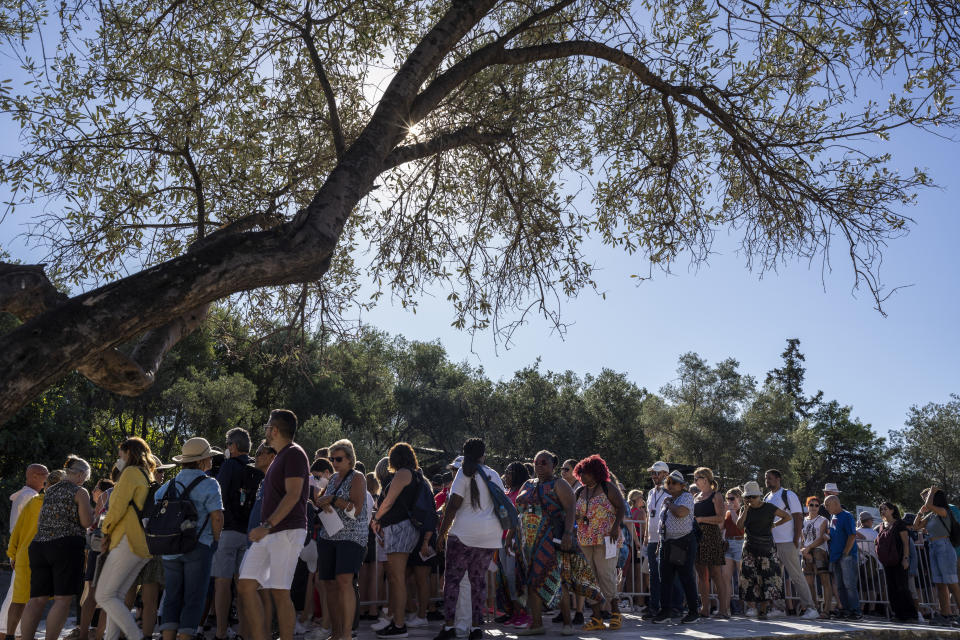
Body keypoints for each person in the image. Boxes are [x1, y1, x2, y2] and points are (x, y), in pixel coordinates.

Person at [513, 450, 602, 636]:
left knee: (557, 579)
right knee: (532, 580)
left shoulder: (559, 484)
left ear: (553, 465)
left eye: (544, 462)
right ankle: (536, 624)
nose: (539, 465)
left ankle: (568, 623)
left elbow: (570, 509)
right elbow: (518, 512)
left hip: (550, 539)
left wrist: (569, 533)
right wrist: (511, 536)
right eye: (536, 462)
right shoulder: (528, 484)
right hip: (527, 542)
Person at [239, 410, 310, 640]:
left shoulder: (294, 454)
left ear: (275, 430)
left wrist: (267, 525)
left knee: (280, 592)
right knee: (246, 585)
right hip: (270, 532)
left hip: (286, 532)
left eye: (268, 427)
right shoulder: (280, 456)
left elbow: (293, 495)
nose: (266, 431)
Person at [434, 439, 506, 640]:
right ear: (484, 455)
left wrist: (442, 533)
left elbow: (453, 506)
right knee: (478, 582)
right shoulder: (493, 475)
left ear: (464, 453)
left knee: (453, 581)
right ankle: (476, 628)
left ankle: (449, 627)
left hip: (463, 535)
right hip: (488, 536)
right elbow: (503, 502)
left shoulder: (462, 473)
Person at [155, 438, 224, 640]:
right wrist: (216, 541)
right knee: (194, 597)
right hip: (198, 546)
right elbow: (217, 516)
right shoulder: (210, 483)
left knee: (172, 597)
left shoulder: (169, 484)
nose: (211, 460)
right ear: (202, 461)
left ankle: (167, 637)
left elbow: (156, 505)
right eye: (209, 457)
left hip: (170, 547)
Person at [20, 456, 94, 640]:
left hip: (39, 546)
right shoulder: (80, 491)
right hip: (65, 546)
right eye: (85, 477)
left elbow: (41, 521)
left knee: (37, 599)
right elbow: (86, 522)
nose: (84, 480)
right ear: (81, 474)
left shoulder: (50, 491)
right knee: (62, 599)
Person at [95, 438, 157, 640]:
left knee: (103, 596)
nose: (118, 459)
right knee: (116, 597)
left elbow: (117, 508)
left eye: (120, 455)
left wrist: (105, 530)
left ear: (129, 452)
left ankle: (135, 637)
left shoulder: (129, 473)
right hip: (143, 546)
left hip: (126, 541)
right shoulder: (147, 475)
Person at [317, 439, 369, 640]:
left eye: (338, 459)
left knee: (344, 581)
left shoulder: (357, 477)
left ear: (350, 459)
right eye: (332, 459)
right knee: (328, 583)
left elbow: (355, 510)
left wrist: (333, 500)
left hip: (351, 536)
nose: (334, 463)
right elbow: (325, 500)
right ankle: (337, 632)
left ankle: (346, 634)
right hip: (328, 535)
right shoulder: (332, 479)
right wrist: (322, 502)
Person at [212, 427, 259, 640]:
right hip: (249, 532)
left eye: (228, 445)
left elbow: (218, 495)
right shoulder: (256, 467)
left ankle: (221, 632)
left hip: (229, 530)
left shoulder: (229, 465)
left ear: (234, 446)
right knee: (244, 586)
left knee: (222, 582)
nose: (226, 449)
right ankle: (243, 632)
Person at [370, 443, 421, 638]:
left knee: (397, 579)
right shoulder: (413, 474)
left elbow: (388, 501)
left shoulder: (402, 474)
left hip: (400, 528)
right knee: (395, 577)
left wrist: (376, 519)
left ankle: (399, 625)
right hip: (402, 528)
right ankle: (396, 621)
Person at [5, 469, 60, 640]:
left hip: (23, 556)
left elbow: (17, 531)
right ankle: (28, 635)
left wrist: (12, 554)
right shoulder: (60, 506)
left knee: (18, 599)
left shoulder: (33, 502)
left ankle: (10, 636)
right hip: (44, 559)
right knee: (37, 601)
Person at [572, 455, 625, 631]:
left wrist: (615, 528)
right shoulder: (580, 491)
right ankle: (596, 618)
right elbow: (571, 510)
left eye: (585, 473)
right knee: (588, 579)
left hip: (606, 539)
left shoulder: (607, 487)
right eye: (581, 473)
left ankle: (616, 613)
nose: (582, 476)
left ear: (595, 473)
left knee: (606, 575)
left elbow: (621, 507)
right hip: (584, 540)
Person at [762, 469, 818, 618]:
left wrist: (796, 539)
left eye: (770, 478)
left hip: (787, 541)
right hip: (772, 543)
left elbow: (798, 517)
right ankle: (779, 609)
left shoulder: (788, 494)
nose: (767, 481)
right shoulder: (767, 497)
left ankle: (811, 609)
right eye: (766, 478)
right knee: (775, 577)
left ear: (778, 479)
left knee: (796, 576)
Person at [650, 471, 699, 625]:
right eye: (668, 482)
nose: (670, 485)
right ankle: (665, 612)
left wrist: (670, 504)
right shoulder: (668, 499)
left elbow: (680, 512)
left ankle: (693, 612)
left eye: (674, 483)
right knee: (665, 579)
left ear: (682, 486)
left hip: (683, 542)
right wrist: (659, 544)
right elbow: (662, 523)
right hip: (667, 542)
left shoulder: (686, 497)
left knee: (686, 578)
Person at [737, 481, 790, 620]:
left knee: (767, 578)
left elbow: (787, 516)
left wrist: (774, 524)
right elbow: (739, 526)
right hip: (749, 548)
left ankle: (764, 610)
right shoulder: (745, 509)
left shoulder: (769, 507)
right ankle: (752, 607)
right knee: (749, 578)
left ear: (759, 496)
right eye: (748, 497)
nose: (751, 500)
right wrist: (746, 509)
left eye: (753, 497)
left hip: (766, 547)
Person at [913, 486, 960, 626]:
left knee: (952, 583)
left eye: (929, 496)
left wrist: (932, 492)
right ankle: (945, 614)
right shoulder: (932, 514)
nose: (926, 500)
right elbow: (916, 527)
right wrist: (919, 513)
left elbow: (928, 504)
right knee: (940, 583)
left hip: (944, 546)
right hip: (933, 547)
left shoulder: (944, 511)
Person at [642, 461, 679, 620]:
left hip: (668, 539)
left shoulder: (671, 492)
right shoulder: (651, 493)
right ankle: (654, 607)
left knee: (672, 574)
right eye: (652, 473)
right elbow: (648, 515)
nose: (654, 476)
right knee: (653, 575)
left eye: (657, 473)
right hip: (652, 539)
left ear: (665, 474)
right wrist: (645, 535)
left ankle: (676, 607)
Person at [692, 467, 728, 618]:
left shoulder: (716, 495)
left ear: (705, 479)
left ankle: (724, 610)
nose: (694, 482)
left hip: (712, 536)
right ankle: (704, 609)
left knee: (715, 574)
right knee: (701, 575)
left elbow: (720, 518)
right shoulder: (696, 496)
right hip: (697, 537)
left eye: (696, 478)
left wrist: (701, 520)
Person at [876, 502, 917, 622]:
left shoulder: (899, 524)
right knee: (891, 588)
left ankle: (911, 614)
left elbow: (905, 543)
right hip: (888, 562)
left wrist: (905, 558)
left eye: (885, 509)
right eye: (881, 509)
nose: (883, 511)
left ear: (892, 510)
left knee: (902, 587)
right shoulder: (881, 526)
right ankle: (898, 614)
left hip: (899, 560)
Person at [824, 495, 861, 620]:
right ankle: (845, 609)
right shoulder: (832, 516)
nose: (826, 507)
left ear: (835, 503)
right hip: (835, 556)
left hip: (847, 556)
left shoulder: (847, 516)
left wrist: (845, 552)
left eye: (827, 505)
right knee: (840, 585)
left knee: (849, 584)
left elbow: (852, 535)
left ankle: (855, 611)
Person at [800, 496, 832, 616]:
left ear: (819, 507)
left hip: (819, 551)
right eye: (811, 505)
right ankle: (814, 608)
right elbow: (802, 538)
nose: (813, 507)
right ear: (807, 506)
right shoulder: (803, 520)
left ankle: (827, 609)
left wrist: (808, 548)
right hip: (806, 552)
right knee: (809, 582)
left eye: (816, 505)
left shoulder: (823, 520)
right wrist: (804, 550)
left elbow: (822, 538)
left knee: (825, 581)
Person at [721, 488, 744, 614]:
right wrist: (723, 513)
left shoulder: (742, 510)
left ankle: (747, 606)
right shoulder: (727, 512)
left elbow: (739, 525)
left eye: (732, 498)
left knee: (742, 577)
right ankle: (726, 608)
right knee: (725, 577)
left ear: (739, 498)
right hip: (728, 544)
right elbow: (720, 527)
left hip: (740, 542)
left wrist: (731, 510)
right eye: (727, 499)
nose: (729, 501)